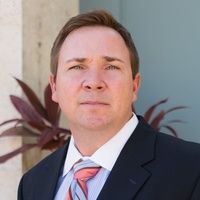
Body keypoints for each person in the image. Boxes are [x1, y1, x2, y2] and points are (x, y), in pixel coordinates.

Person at [18, 10, 200, 200]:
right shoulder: (32, 184)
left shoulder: (193, 169)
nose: (94, 81)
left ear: (134, 86)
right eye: (77, 67)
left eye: (111, 66)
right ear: (54, 86)